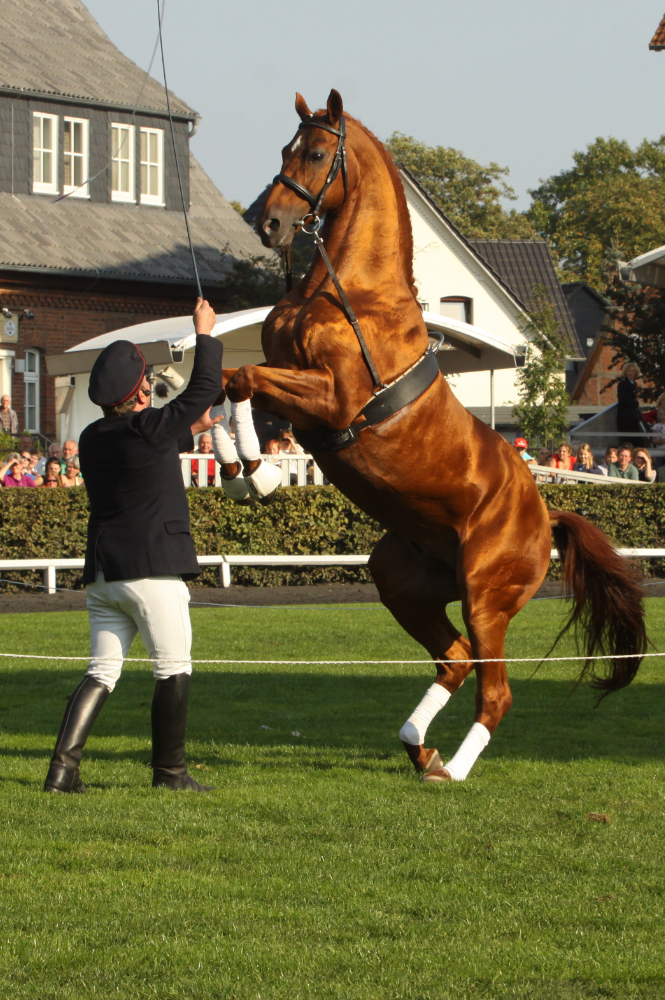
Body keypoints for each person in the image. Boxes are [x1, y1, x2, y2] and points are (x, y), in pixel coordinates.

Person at [43, 297, 224, 796]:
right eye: (147, 382)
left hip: (105, 573)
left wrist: (189, 428)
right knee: (174, 667)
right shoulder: (149, 427)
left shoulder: (94, 436)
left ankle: (62, 772)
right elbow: (207, 387)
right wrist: (203, 332)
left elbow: (149, 450)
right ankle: (169, 774)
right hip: (152, 571)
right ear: (142, 390)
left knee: (101, 671)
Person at [617, 362, 645, 436]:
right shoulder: (623, 383)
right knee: (629, 437)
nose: (630, 373)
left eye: (632, 371)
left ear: (636, 372)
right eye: (629, 371)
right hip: (625, 416)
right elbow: (622, 399)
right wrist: (635, 403)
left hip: (633, 415)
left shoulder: (634, 383)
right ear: (625, 372)